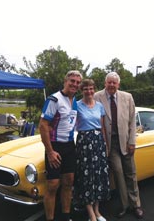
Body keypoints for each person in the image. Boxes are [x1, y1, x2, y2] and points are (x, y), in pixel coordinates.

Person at [94, 72, 144, 219]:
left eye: (114, 83)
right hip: (110, 144)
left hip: (126, 142)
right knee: (118, 174)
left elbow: (132, 121)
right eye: (109, 82)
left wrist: (132, 142)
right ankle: (124, 206)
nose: (111, 85)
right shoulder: (97, 97)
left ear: (118, 84)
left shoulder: (127, 97)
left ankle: (136, 205)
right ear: (105, 83)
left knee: (131, 173)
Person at [39, 70, 82, 221]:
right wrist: (50, 152)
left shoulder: (75, 101)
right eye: (72, 81)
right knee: (52, 185)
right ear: (65, 81)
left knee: (69, 181)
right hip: (55, 146)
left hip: (70, 146)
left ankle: (65, 216)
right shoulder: (54, 99)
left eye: (77, 82)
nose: (75, 84)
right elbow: (43, 126)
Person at [73, 79, 110, 221]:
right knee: (86, 177)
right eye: (85, 89)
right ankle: (91, 215)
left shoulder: (99, 106)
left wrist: (105, 145)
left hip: (98, 143)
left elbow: (102, 127)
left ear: (94, 89)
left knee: (99, 176)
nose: (89, 91)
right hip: (84, 144)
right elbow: (72, 124)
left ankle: (97, 211)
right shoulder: (76, 105)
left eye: (91, 88)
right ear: (81, 91)